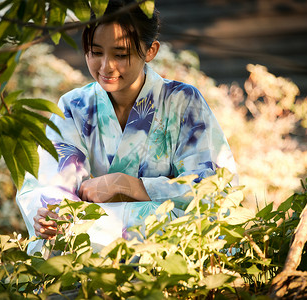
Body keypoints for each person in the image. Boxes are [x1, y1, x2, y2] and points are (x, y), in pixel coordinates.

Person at [16, 0, 237, 253]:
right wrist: (51, 215)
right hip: (91, 236)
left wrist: (126, 185)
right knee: (62, 234)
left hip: (164, 241)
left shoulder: (183, 102)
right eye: (96, 52)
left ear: (151, 50)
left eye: (121, 54)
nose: (106, 67)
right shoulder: (74, 106)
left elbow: (215, 190)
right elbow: (52, 183)